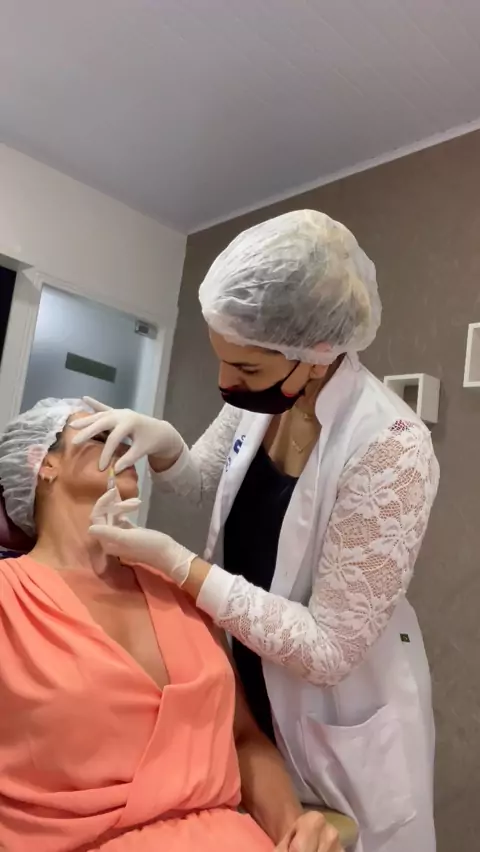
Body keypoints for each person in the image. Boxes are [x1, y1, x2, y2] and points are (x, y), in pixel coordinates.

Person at [74, 210, 439, 852]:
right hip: (250, 684)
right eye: (223, 361)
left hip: (335, 714)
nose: (226, 384)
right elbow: (202, 479)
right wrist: (166, 446)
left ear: (316, 356)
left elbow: (327, 649)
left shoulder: (391, 450)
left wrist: (184, 570)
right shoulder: (266, 394)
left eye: (244, 370)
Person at [0, 398, 342, 852]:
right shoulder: (9, 599)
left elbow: (242, 739)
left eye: (128, 438)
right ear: (44, 463)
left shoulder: (177, 587)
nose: (127, 448)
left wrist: (294, 830)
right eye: (102, 435)